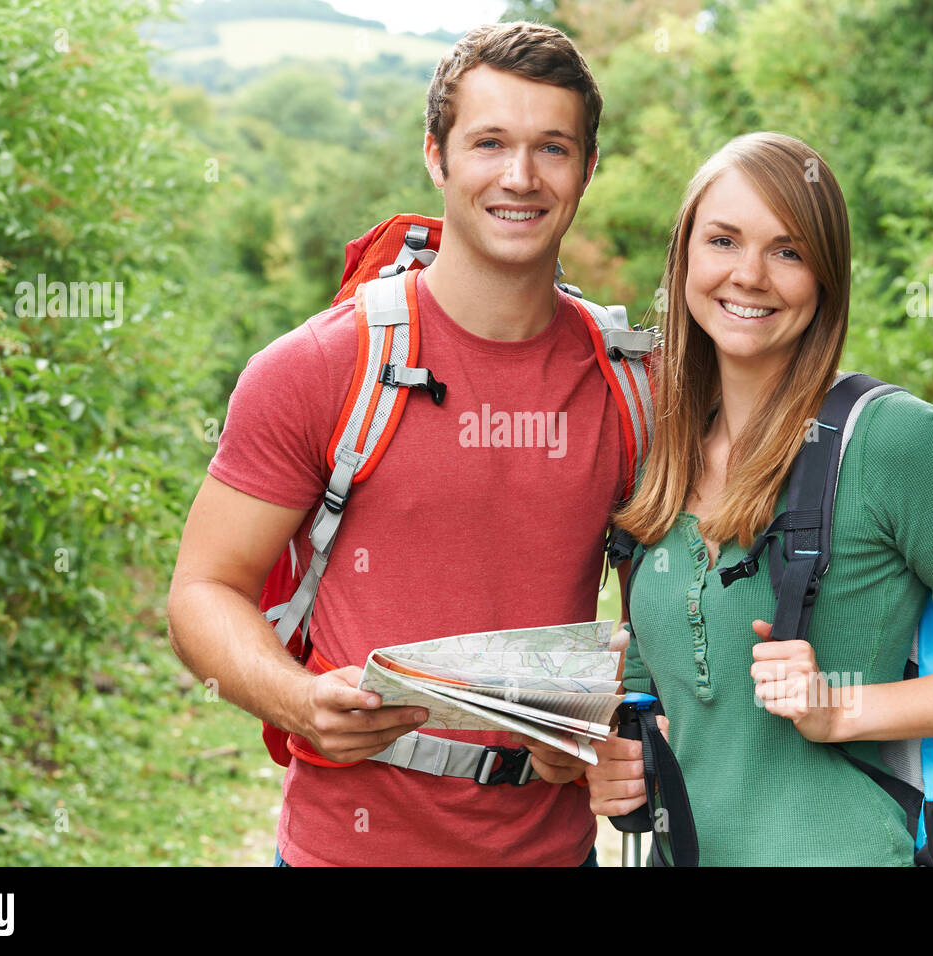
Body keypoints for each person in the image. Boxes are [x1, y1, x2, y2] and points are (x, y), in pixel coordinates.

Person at [167, 22, 627, 867]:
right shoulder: (316, 367)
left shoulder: (634, 385)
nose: (519, 177)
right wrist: (298, 698)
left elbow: (674, 624)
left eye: (551, 148)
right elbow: (202, 591)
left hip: (556, 853)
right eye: (489, 143)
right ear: (436, 155)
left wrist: (613, 726)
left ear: (587, 168)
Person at [585, 131, 933, 865]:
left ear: (825, 278)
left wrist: (841, 707)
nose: (749, 274)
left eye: (787, 251)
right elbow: (660, 693)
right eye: (723, 240)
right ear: (684, 257)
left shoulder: (894, 441)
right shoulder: (660, 451)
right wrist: (620, 764)